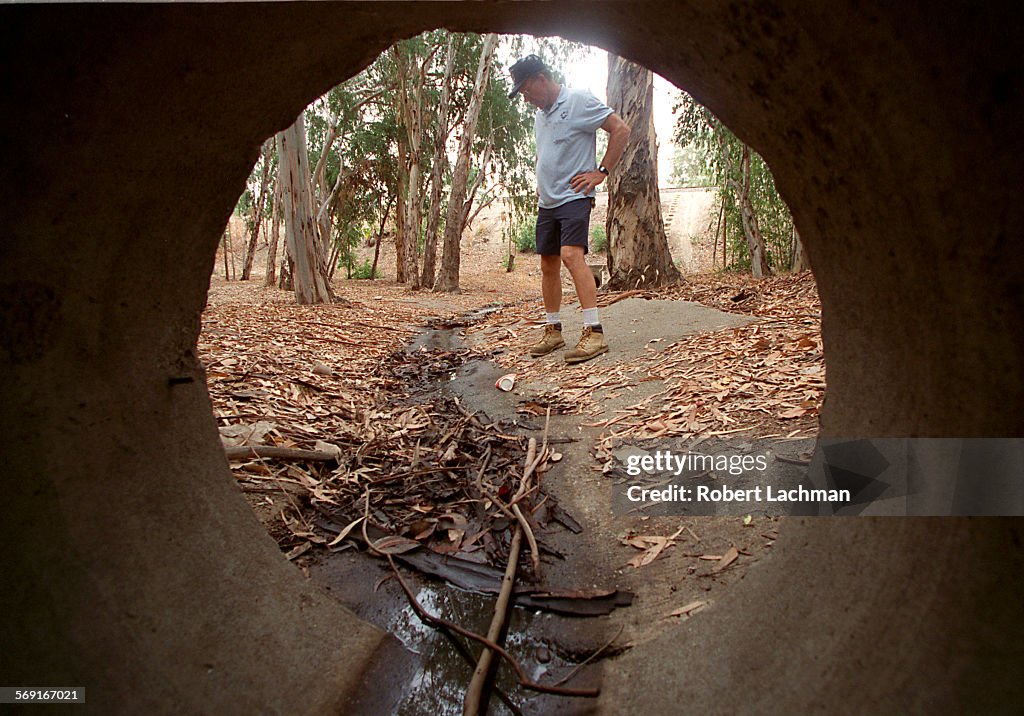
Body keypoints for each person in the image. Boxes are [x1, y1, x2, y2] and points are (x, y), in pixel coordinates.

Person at [508, 55, 631, 364]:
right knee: (548, 264)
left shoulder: (578, 100)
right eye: (522, 94)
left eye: (526, 91)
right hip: (547, 201)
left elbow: (621, 129)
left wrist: (601, 171)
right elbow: (547, 153)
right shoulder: (540, 116)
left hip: (574, 197)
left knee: (571, 255)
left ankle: (595, 332)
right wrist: (541, 180)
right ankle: (553, 330)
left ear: (541, 78)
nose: (527, 98)